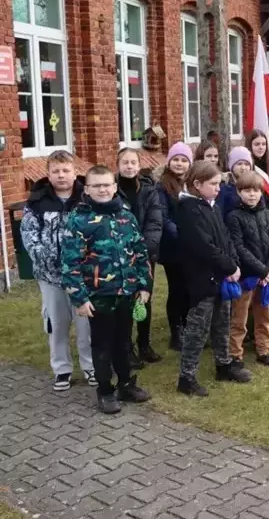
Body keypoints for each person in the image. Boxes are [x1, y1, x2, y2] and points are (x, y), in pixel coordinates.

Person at [60, 165, 152, 414]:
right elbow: (70, 264)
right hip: (98, 296)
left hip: (126, 292)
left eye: (107, 185)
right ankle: (105, 390)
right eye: (96, 185)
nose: (102, 189)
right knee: (102, 345)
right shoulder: (79, 220)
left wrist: (144, 285)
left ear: (114, 187)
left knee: (123, 342)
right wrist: (79, 298)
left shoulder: (126, 216)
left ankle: (125, 384)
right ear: (87, 189)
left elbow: (140, 253)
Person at [175, 161, 252, 396]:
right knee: (198, 329)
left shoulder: (213, 206)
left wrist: (234, 263)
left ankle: (224, 364)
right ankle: (186, 377)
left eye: (219, 183)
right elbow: (203, 246)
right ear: (197, 184)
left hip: (221, 277)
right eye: (213, 184)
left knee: (222, 323)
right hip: (201, 279)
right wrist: (229, 266)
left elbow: (225, 238)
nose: (218, 188)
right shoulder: (188, 210)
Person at [20, 150, 94, 391]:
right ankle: (62, 369)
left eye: (66, 170)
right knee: (57, 324)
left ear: (74, 173)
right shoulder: (37, 202)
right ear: (48, 174)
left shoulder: (87, 199)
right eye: (56, 171)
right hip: (50, 277)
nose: (61, 175)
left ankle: (90, 366)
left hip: (83, 276)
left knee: (86, 325)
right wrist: (53, 261)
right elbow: (30, 238)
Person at [226, 171, 269, 367]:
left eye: (256, 190)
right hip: (246, 276)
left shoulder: (268, 215)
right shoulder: (234, 217)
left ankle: (264, 349)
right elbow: (239, 248)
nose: (252, 195)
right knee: (239, 317)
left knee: (264, 315)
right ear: (239, 192)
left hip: (265, 276)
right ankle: (235, 354)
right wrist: (261, 270)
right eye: (247, 190)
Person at [115, 148, 164, 366]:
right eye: (125, 162)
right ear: (118, 164)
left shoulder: (149, 189)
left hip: (144, 254)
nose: (129, 166)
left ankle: (144, 344)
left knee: (145, 298)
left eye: (133, 162)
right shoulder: (112, 189)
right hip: (119, 256)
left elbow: (154, 223)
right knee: (125, 300)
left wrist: (142, 251)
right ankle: (126, 349)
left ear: (139, 164)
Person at [156, 142, 193, 351]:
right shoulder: (162, 186)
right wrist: (182, 234)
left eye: (184, 160)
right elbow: (164, 217)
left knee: (189, 288)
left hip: (191, 247)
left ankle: (189, 325)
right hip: (173, 247)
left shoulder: (192, 184)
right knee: (177, 289)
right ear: (169, 162)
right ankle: (176, 331)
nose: (179, 164)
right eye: (176, 159)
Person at [217, 146, 256, 220]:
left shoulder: (255, 186)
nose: (243, 167)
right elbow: (220, 214)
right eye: (239, 164)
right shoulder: (224, 187)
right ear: (232, 166)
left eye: (247, 164)